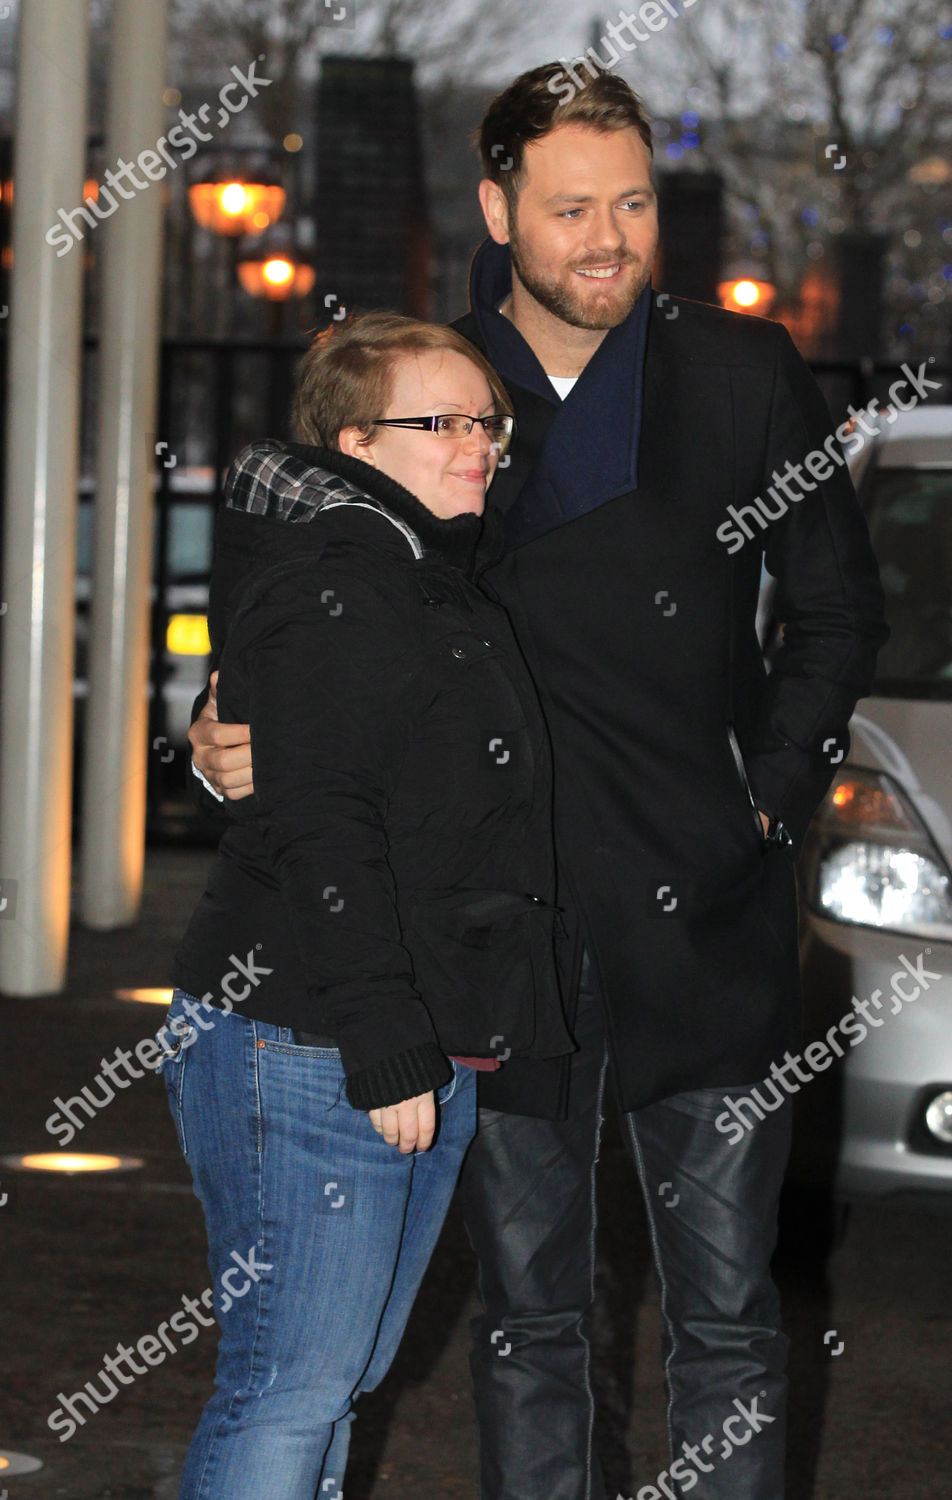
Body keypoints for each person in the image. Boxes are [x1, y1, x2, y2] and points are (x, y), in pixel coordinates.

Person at [189, 66, 889, 1500]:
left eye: (631, 204)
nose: (607, 238)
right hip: (503, 935)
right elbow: (298, 568)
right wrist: (207, 720)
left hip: (708, 916)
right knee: (528, 1324)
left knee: (731, 1321)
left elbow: (838, 614)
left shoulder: (743, 371)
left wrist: (764, 797)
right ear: (501, 208)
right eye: (571, 207)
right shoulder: (434, 389)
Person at [160, 310, 573, 1500]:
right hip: (311, 1033)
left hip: (397, 1033)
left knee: (328, 1390)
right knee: (288, 1391)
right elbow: (322, 825)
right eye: (439, 422)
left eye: (486, 421)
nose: (479, 444)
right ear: (353, 439)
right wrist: (384, 1042)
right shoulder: (342, 572)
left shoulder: (423, 568)